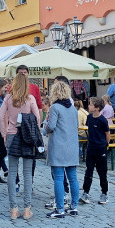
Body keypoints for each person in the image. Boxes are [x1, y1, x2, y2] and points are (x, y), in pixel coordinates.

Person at [0, 74, 40, 220]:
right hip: (27, 137)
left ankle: (13, 209)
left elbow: (0, 116)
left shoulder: (9, 99)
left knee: (12, 172)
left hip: (12, 135)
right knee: (27, 173)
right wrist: (35, 132)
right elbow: (37, 117)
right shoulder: (30, 99)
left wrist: (4, 134)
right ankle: (27, 209)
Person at [45, 82, 80, 218]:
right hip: (71, 146)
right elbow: (76, 126)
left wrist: (45, 128)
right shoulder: (73, 109)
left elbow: (51, 126)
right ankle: (74, 207)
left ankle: (60, 209)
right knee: (73, 178)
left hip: (59, 146)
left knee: (59, 179)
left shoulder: (55, 108)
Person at [79, 97, 110, 205]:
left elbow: (107, 134)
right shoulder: (89, 117)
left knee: (102, 172)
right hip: (91, 147)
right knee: (89, 170)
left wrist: (106, 145)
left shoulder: (102, 120)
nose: (88, 106)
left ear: (97, 108)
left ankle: (104, 193)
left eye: (91, 105)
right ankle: (86, 192)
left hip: (100, 147)